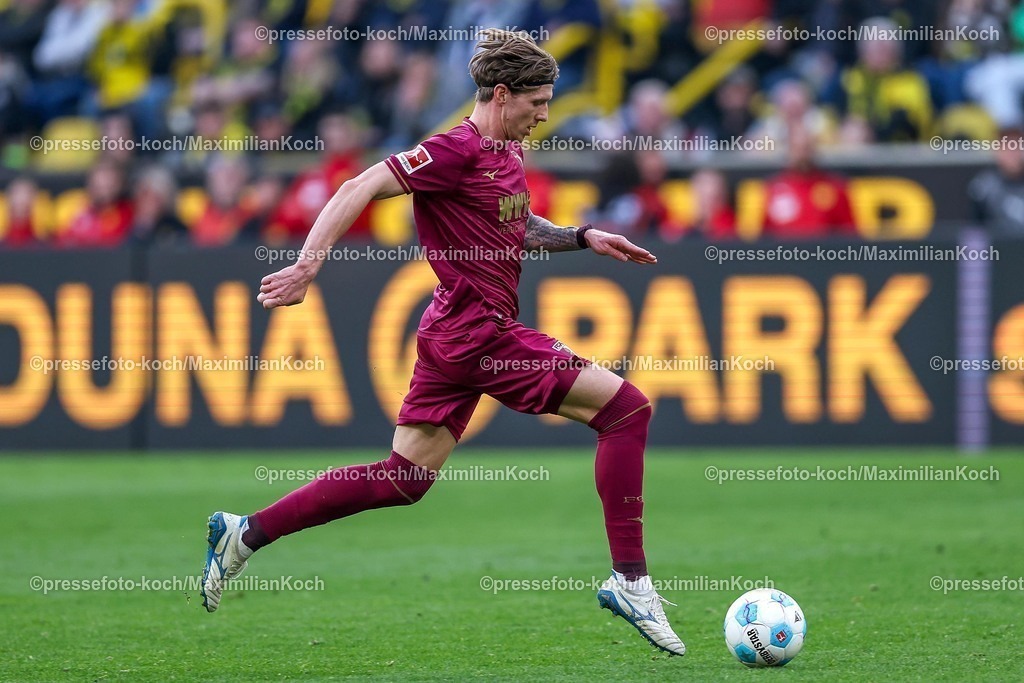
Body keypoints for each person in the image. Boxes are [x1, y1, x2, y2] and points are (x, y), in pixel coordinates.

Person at [200, 29, 686, 657]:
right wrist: (306, 266)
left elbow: (514, 225)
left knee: (403, 478)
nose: (545, 115)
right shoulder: (452, 150)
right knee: (626, 410)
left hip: (450, 334)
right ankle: (631, 582)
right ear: (502, 93)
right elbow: (357, 187)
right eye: (537, 103)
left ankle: (245, 533)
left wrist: (581, 237)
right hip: (480, 331)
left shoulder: (506, 153)